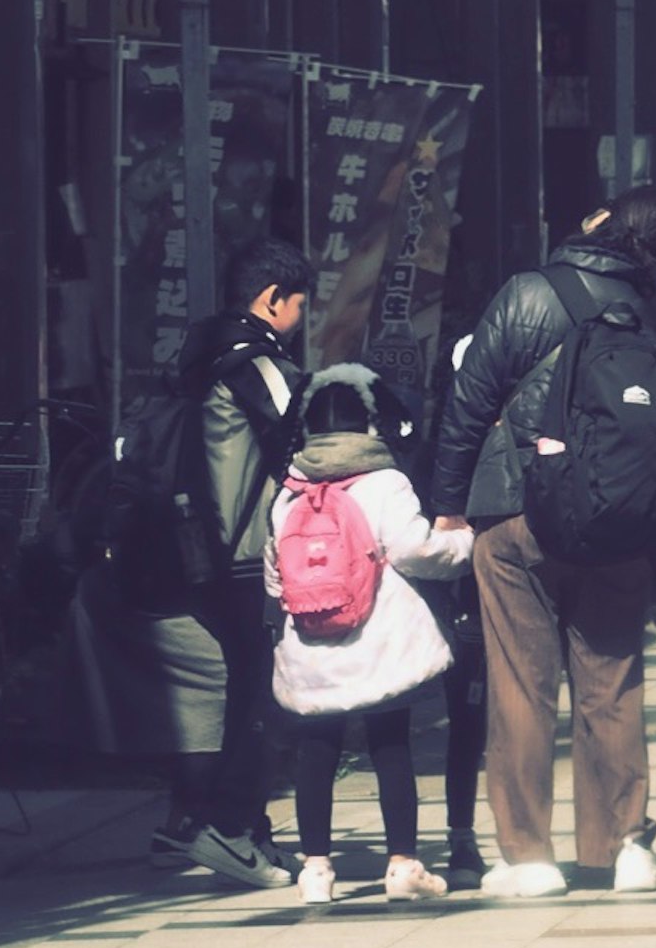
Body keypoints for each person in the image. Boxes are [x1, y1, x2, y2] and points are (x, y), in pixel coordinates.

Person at [432, 188, 656, 899]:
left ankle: (529, 856)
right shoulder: (655, 316)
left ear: (598, 222)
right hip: (619, 526)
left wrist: (449, 507)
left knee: (521, 684)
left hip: (519, 517)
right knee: (611, 685)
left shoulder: (529, 294)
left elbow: (469, 405)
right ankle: (623, 848)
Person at [264, 367, 470, 906]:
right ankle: (403, 865)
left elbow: (274, 577)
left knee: (317, 749)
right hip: (379, 646)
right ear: (370, 425)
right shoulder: (385, 482)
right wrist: (463, 545)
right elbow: (414, 552)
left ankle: (316, 871)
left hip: (311, 646)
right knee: (390, 744)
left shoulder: (287, 491)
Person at [167, 244, 313, 888]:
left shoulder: (198, 354)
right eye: (301, 303)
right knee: (259, 695)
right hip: (245, 549)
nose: (303, 317)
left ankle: (237, 826)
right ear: (273, 298)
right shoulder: (257, 363)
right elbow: (309, 430)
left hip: (197, 545)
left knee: (236, 692)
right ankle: (228, 828)